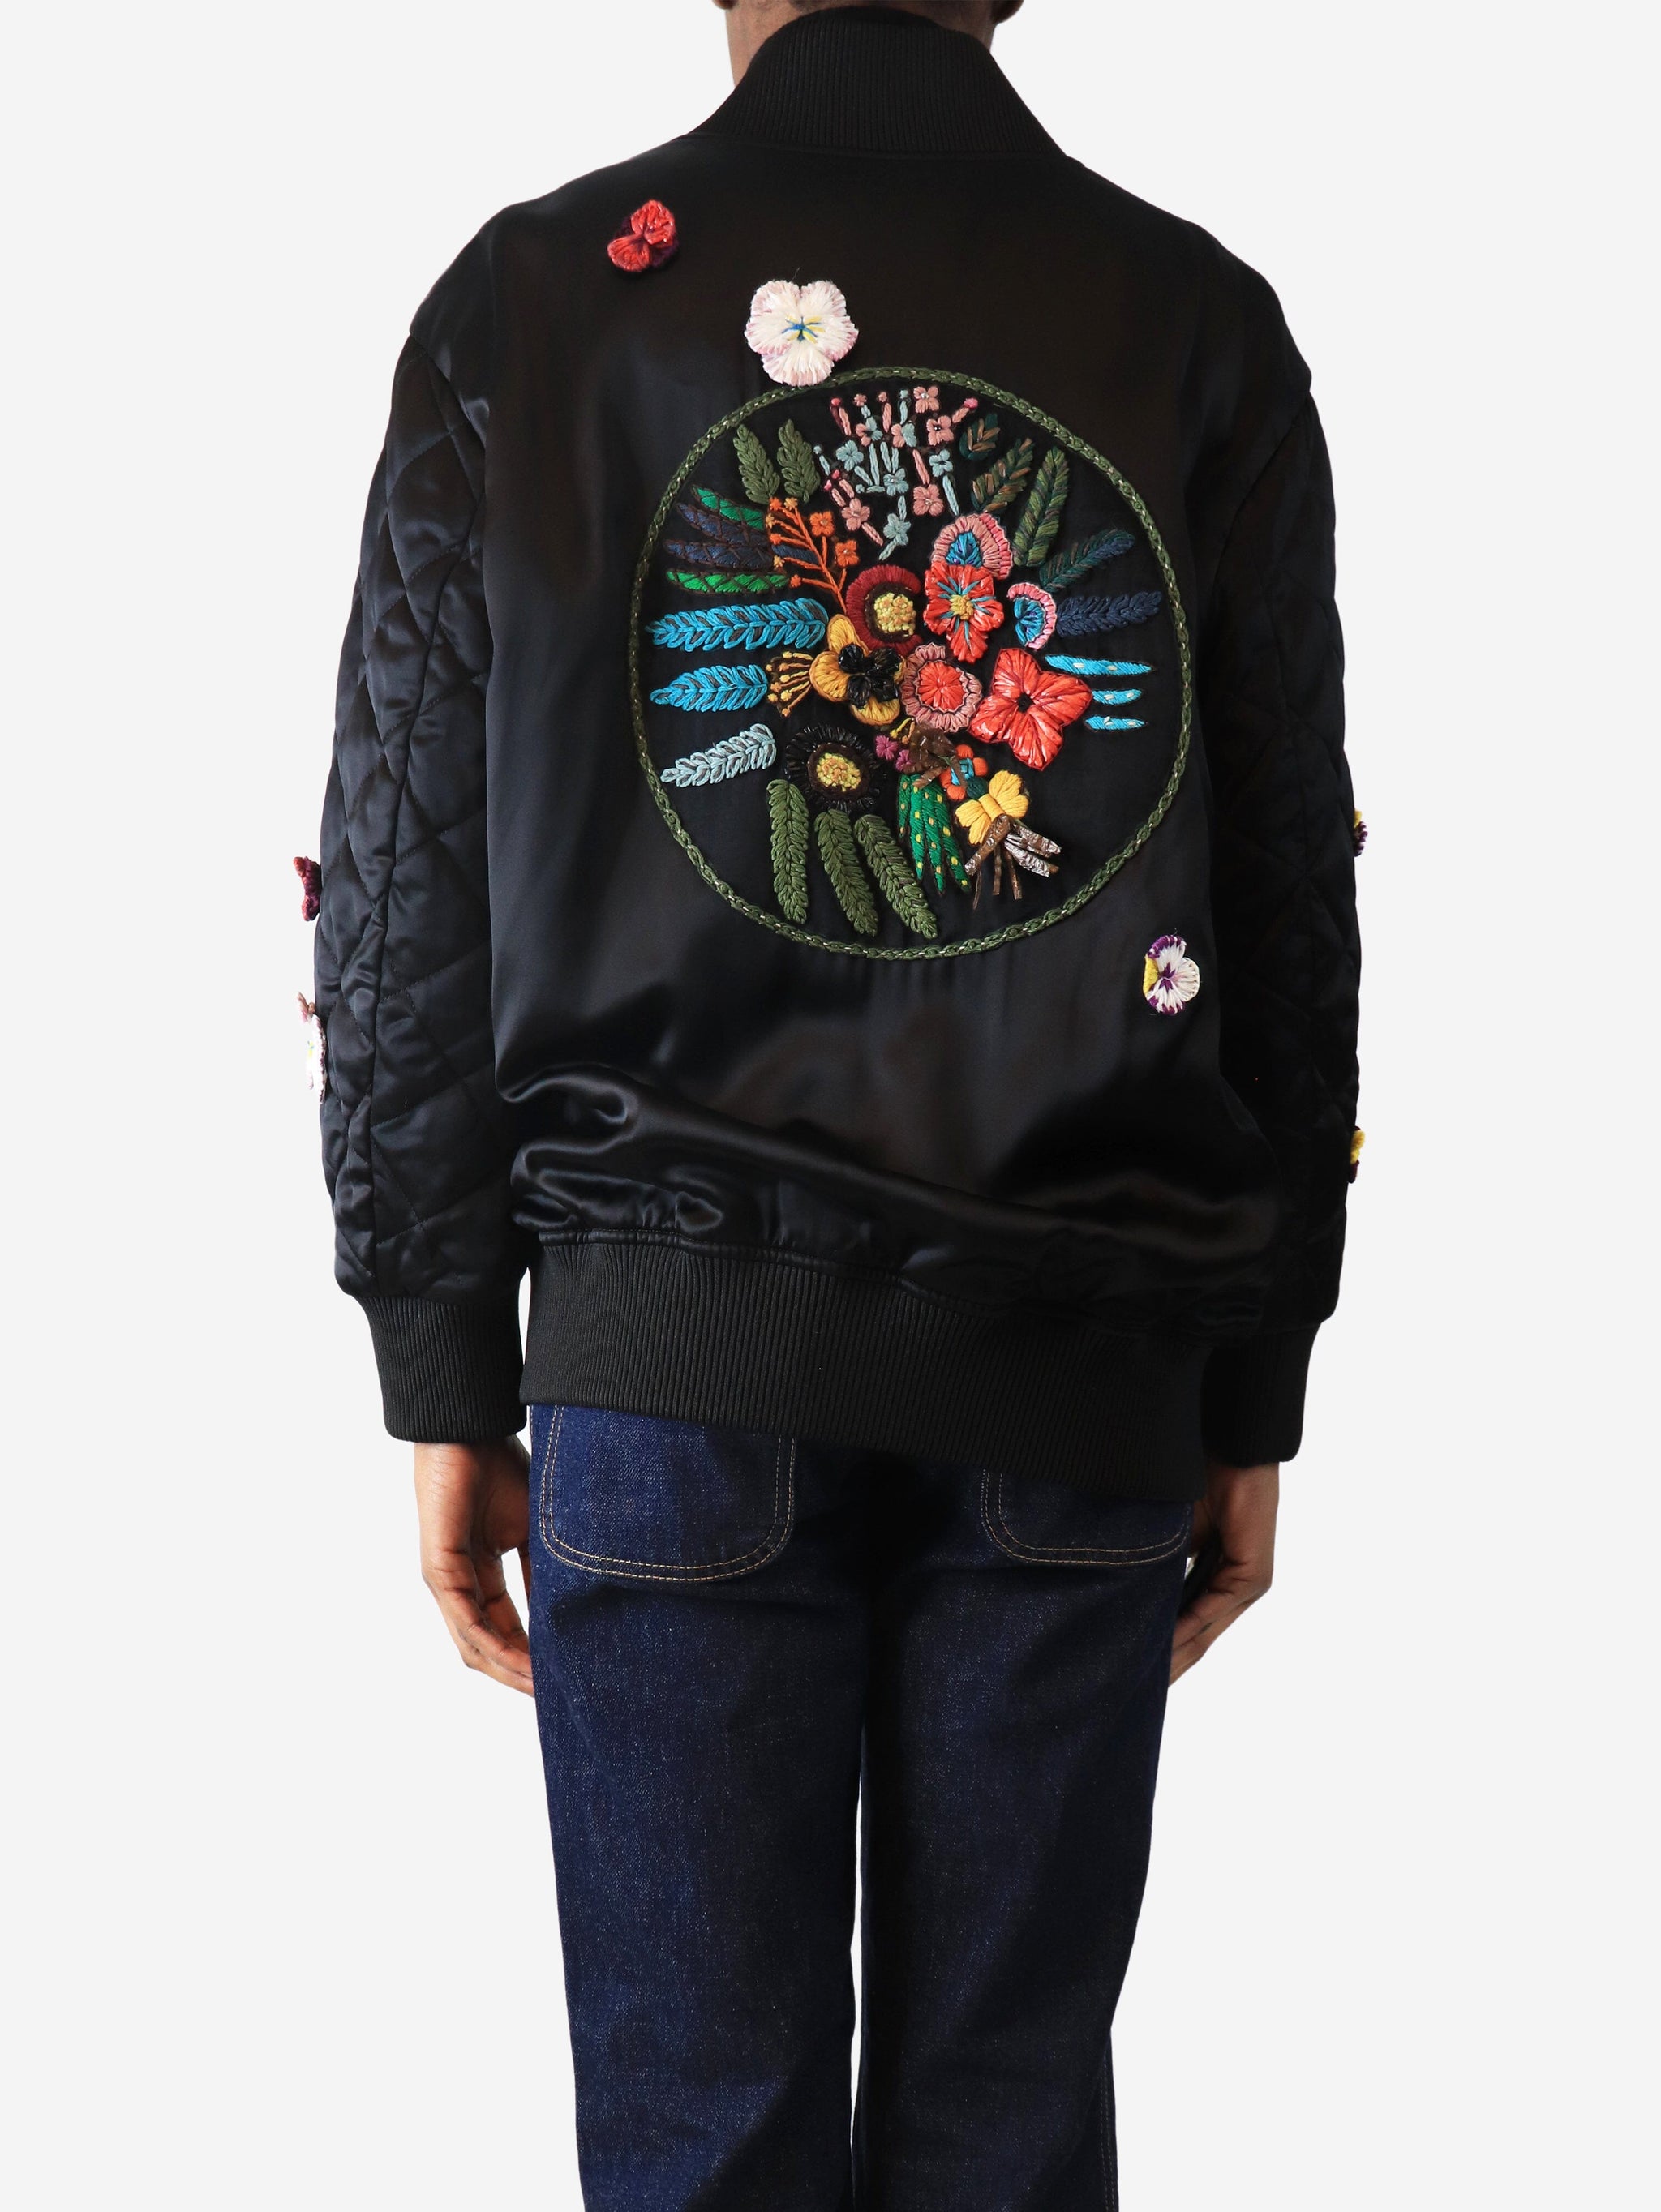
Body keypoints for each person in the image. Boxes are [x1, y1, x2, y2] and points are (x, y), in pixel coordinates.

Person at [308, 1, 1360, 2201]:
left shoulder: (537, 300)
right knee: (1007, 2137)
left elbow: (400, 867)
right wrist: (1257, 1375)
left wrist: (441, 1350)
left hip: (665, 1358)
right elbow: (1285, 889)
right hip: (1082, 1363)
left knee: (700, 2142)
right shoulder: (1193, 318)